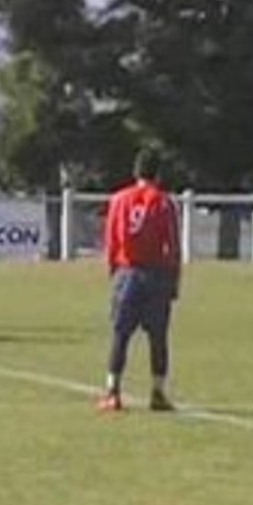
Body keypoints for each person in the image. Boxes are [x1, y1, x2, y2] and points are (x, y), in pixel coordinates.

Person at [97, 150, 182, 413]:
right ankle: (158, 392)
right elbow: (173, 245)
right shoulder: (164, 202)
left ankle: (112, 391)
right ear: (158, 174)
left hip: (128, 272)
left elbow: (111, 241)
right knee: (158, 337)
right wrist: (173, 280)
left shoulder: (119, 200)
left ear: (136, 172)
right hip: (156, 273)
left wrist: (114, 272)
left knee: (120, 334)